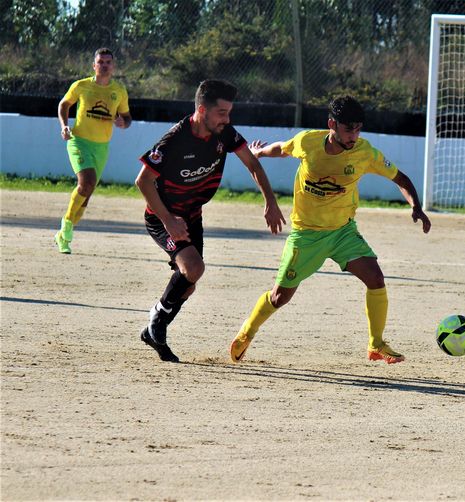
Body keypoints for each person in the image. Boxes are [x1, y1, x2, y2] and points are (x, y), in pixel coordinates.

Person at [229, 95, 431, 365]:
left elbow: (400, 178)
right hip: (307, 235)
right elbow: (283, 148)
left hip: (343, 232)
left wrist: (416, 205)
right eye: (349, 130)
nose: (354, 136)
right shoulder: (308, 142)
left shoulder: (365, 152)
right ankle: (247, 332)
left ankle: (376, 344)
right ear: (332, 125)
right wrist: (260, 153)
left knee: (376, 279)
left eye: (359, 129)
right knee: (280, 297)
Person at [136, 79, 285, 363]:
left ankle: (153, 329)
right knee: (194, 267)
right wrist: (168, 221)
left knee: (189, 282)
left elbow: (252, 163)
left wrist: (270, 200)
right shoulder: (174, 140)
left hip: (192, 216)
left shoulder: (224, 133)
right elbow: (143, 181)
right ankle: (156, 323)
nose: (227, 119)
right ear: (202, 110)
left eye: (229, 113)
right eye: (222, 113)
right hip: (162, 217)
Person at [55, 47, 132, 253]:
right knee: (86, 182)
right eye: (101, 62)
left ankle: (63, 237)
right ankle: (67, 224)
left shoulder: (119, 91)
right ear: (94, 65)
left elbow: (127, 117)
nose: (104, 65)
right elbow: (64, 104)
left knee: (87, 194)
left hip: (102, 147)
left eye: (108, 62)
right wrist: (64, 125)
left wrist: (123, 123)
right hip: (79, 141)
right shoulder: (81, 86)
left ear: (113, 66)